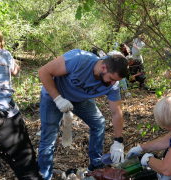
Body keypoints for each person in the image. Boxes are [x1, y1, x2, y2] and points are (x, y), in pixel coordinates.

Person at [38, 49, 129, 180]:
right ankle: (44, 176)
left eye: (117, 81)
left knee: (99, 123)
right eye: (112, 79)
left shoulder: (112, 85)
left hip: (79, 100)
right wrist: (58, 99)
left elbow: (116, 112)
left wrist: (118, 141)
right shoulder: (79, 59)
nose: (114, 83)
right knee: (48, 138)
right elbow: (44, 71)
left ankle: (95, 165)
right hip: (53, 96)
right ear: (103, 67)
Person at [0, 27, 44, 179]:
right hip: (5, 118)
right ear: (0, 42)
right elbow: (15, 71)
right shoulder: (4, 54)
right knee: (28, 170)